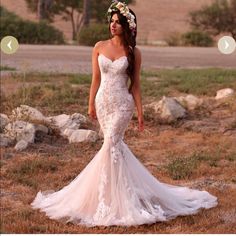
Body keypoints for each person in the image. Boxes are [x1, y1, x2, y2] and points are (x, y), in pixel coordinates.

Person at [30, 0, 218, 227]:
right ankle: (110, 194)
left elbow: (136, 85)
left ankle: (111, 200)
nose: (113, 25)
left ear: (127, 26)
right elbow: (95, 80)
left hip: (122, 104)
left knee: (110, 143)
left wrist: (140, 112)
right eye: (112, 21)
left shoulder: (133, 52)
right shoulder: (99, 46)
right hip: (103, 103)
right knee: (113, 148)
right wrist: (90, 104)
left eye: (118, 22)